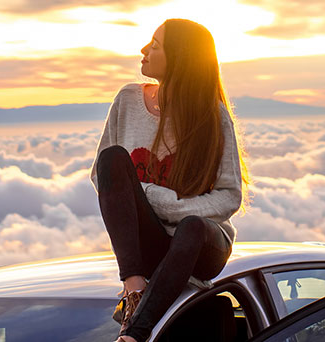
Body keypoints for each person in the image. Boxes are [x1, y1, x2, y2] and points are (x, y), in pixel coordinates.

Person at [89, 18, 252, 342]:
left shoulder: (211, 115)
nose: (144, 50)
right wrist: (151, 196)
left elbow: (229, 195)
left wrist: (171, 206)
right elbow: (103, 176)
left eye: (155, 45)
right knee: (112, 158)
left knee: (191, 226)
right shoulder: (127, 101)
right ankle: (134, 287)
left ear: (179, 57)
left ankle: (135, 333)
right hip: (149, 242)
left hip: (200, 244)